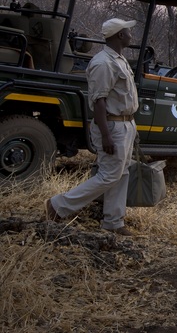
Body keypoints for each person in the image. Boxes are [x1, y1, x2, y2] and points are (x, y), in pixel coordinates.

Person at [46, 18, 139, 236]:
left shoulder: (118, 60)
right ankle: (58, 205)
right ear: (119, 35)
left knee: (121, 173)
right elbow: (99, 102)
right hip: (113, 126)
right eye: (127, 30)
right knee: (109, 175)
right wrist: (106, 135)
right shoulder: (103, 63)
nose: (130, 33)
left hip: (124, 124)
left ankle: (113, 222)